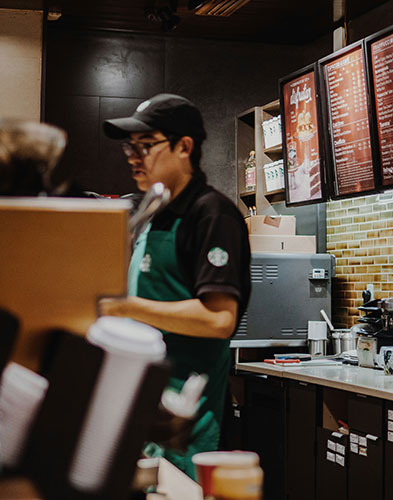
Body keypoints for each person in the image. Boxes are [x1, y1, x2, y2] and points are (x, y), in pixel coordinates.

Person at [97, 93, 251, 478]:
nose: (134, 155)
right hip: (143, 398)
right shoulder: (154, 212)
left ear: (184, 147)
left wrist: (123, 307)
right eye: (130, 146)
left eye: (146, 145)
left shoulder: (211, 214)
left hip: (186, 411)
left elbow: (219, 319)